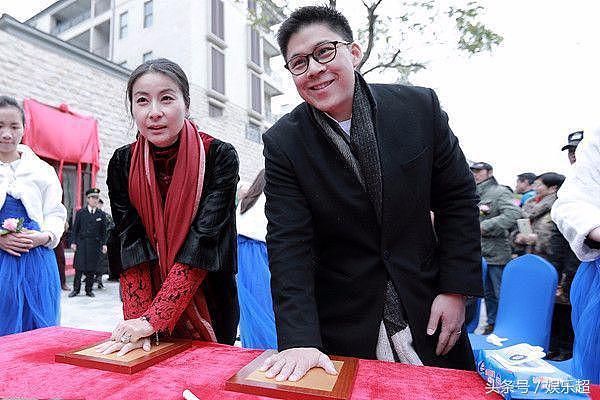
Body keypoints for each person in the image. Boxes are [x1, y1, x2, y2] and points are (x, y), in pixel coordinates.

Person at [260, 6, 483, 382]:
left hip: (428, 303)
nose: (314, 69)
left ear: (354, 51)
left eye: (324, 52)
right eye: (298, 63)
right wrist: (299, 340)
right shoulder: (284, 141)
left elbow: (458, 199)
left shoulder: (419, 107)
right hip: (344, 318)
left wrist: (455, 289)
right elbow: (288, 245)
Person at [99, 58, 239, 357]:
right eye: (142, 101)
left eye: (166, 98)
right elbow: (130, 239)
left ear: (186, 104)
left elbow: (205, 238)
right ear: (132, 109)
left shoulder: (219, 155)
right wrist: (139, 319)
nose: (154, 113)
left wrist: (155, 318)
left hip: (210, 299)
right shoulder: (122, 162)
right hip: (145, 295)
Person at [0, 95, 67, 336]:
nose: (7, 133)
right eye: (0, 126)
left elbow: (55, 212)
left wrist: (44, 237)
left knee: (35, 331)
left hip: (36, 258)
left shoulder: (41, 170)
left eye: (14, 126)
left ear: (24, 129)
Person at [551, 127, 600, 384]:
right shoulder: (579, 182)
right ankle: (561, 349)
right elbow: (571, 205)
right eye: (570, 152)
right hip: (588, 261)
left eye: (575, 150)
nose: (573, 156)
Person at [470, 162, 521, 335]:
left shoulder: (499, 192)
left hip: (496, 253)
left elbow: (514, 214)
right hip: (478, 251)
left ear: (489, 172)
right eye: (473, 171)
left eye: (478, 171)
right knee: (485, 294)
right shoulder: (472, 191)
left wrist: (485, 226)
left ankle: (505, 327)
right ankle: (491, 324)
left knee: (499, 293)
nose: (475, 174)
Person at [236, 169, 277, 349]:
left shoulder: (247, 201)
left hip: (242, 251)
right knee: (264, 304)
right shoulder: (269, 199)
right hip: (259, 252)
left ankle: (254, 347)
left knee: (250, 306)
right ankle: (270, 347)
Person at [68, 188, 108, 298]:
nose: (95, 200)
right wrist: (73, 242)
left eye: (97, 198)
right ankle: (76, 290)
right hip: (81, 244)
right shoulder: (81, 213)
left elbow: (104, 232)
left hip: (94, 245)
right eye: (93, 198)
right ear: (88, 199)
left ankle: (88, 290)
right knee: (79, 268)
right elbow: (75, 229)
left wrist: (104, 244)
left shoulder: (101, 214)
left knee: (91, 268)